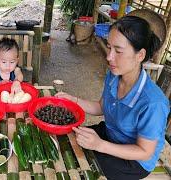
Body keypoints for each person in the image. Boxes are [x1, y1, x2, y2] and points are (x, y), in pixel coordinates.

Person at [56, 15, 169, 179]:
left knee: (80, 168)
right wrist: (73, 101)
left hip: (134, 159)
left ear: (140, 55)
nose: (109, 56)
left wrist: (99, 145)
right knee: (65, 139)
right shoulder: (114, 75)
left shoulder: (153, 103)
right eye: (109, 47)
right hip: (110, 134)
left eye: (118, 51)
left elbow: (145, 152)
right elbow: (101, 107)